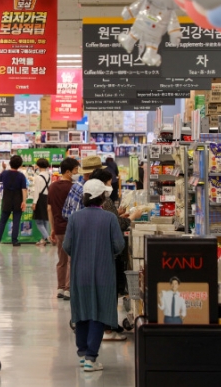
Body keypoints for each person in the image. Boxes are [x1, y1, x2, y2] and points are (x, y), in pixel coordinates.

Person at [63, 179, 125, 372]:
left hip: (80, 271)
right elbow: (119, 245)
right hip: (104, 272)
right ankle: (91, 358)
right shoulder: (110, 218)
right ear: (103, 197)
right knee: (98, 312)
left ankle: (82, 353)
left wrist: (81, 252)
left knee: (81, 311)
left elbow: (67, 246)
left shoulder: (75, 218)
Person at [90, 168, 144, 342]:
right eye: (109, 181)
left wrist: (119, 214)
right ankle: (107, 328)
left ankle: (109, 325)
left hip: (96, 255)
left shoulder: (90, 203)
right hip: (109, 253)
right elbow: (117, 225)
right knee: (110, 291)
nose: (111, 184)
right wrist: (132, 217)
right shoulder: (104, 200)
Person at [48, 157, 80, 301]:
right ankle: (68, 289)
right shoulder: (74, 188)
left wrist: (52, 228)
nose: (77, 172)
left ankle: (60, 287)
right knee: (72, 259)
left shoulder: (53, 187)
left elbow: (49, 209)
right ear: (68, 172)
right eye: (76, 170)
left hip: (59, 228)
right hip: (72, 227)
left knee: (61, 259)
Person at [0, 156, 28, 247]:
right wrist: (24, 201)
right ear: (20, 165)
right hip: (17, 199)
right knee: (16, 221)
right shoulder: (21, 176)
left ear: (10, 163)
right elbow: (24, 189)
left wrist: (3, 168)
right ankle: (14, 241)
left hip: (7, 199)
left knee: (3, 220)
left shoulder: (5, 173)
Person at [62, 155, 104, 221]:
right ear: (90, 174)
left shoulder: (76, 185)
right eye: (100, 173)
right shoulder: (85, 191)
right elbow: (77, 219)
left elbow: (65, 213)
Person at [32, 158, 51, 246]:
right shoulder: (49, 176)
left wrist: (34, 202)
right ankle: (43, 240)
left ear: (38, 166)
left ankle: (47, 238)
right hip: (47, 198)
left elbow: (36, 191)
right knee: (45, 220)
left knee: (39, 221)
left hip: (40, 199)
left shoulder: (38, 177)